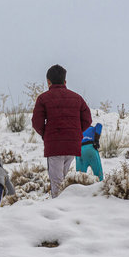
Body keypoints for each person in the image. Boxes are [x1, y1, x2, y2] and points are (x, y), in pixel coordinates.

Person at [32, 64, 92, 198]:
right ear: (65, 81)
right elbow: (87, 119)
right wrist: (75, 133)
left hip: (54, 146)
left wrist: (46, 134)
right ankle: (66, 207)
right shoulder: (77, 98)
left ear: (48, 82)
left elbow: (36, 122)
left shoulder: (43, 98)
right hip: (72, 146)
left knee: (57, 182)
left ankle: (59, 207)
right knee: (65, 180)